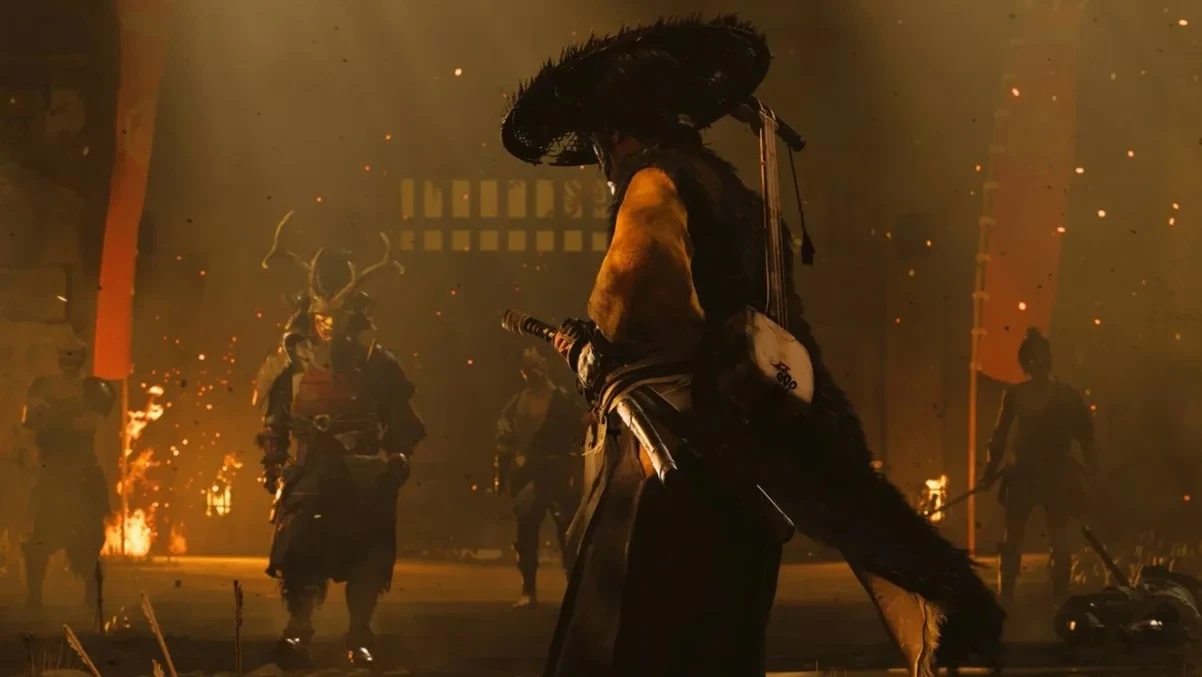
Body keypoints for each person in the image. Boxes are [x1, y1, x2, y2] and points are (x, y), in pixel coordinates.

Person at [500, 15, 1003, 677]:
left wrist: (596, 354)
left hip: (677, 460)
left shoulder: (653, 183)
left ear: (618, 137)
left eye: (602, 144)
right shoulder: (734, 195)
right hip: (747, 463)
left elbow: (634, 288)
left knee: (632, 641)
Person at [255, 226, 425, 668]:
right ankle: (298, 631)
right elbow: (275, 418)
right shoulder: (290, 363)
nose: (328, 327)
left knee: (367, 557)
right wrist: (272, 462)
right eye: (321, 318)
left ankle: (360, 633)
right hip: (309, 470)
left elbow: (402, 418)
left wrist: (397, 455)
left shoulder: (376, 363)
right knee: (298, 553)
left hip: (362, 472)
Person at [981, 327, 1096, 609]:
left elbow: (1085, 435)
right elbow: (1000, 435)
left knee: (1058, 535)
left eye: (1042, 358)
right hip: (1025, 472)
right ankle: (1007, 595)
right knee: (1013, 536)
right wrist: (991, 469)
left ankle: (1059, 596)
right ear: (1026, 364)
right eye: (1033, 360)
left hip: (1056, 472)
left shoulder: (1066, 396)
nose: (1038, 364)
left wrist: (1092, 471)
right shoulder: (1015, 395)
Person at [19, 330, 115, 609]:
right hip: (51, 469)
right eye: (65, 354)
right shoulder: (41, 387)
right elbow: (30, 429)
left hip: (82, 469)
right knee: (39, 538)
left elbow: (88, 424)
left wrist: (53, 418)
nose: (69, 359)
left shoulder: (94, 389)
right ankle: (34, 597)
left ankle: (90, 598)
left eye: (74, 354)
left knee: (88, 538)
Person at [495, 347, 586, 608]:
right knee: (526, 535)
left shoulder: (561, 399)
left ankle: (573, 589)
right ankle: (528, 590)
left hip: (557, 472)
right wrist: (502, 475)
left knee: (567, 533)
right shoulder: (517, 403)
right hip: (528, 474)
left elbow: (578, 432)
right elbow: (504, 438)